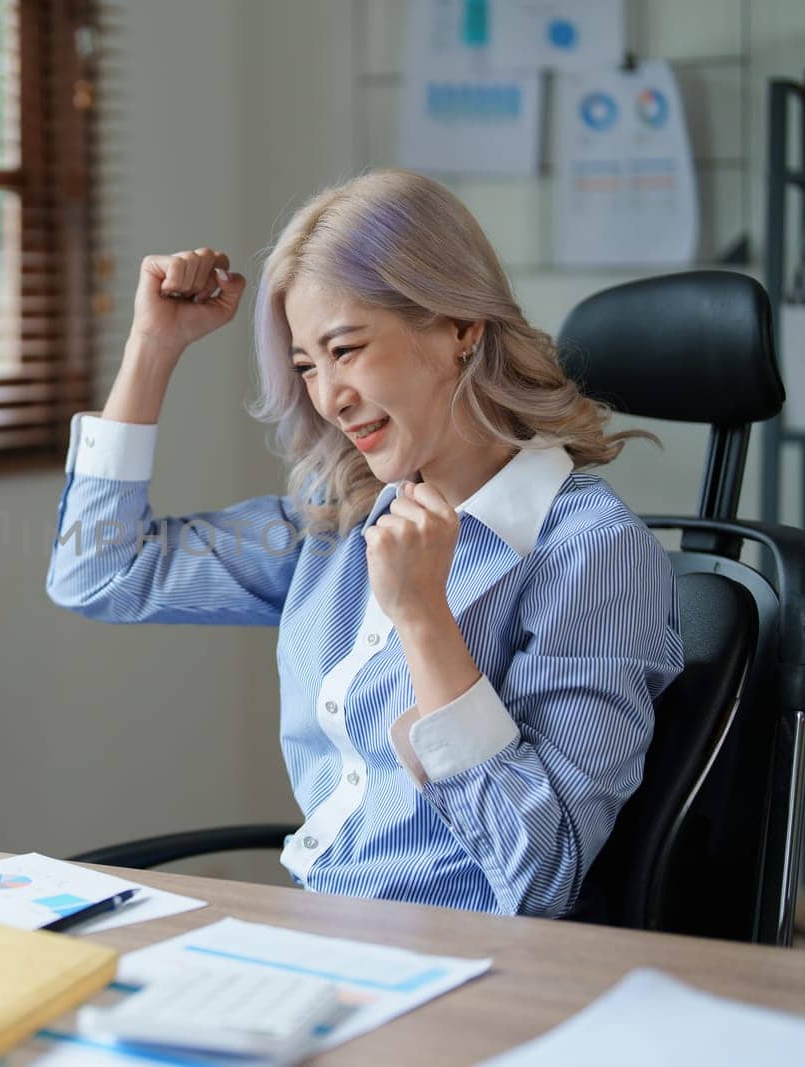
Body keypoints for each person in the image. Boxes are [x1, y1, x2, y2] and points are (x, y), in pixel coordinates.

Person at [45, 169, 685, 918]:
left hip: (468, 967)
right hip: (321, 932)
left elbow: (540, 874)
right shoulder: (339, 519)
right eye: (305, 366)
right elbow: (98, 570)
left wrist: (423, 619)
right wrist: (151, 349)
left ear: (459, 326)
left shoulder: (592, 553)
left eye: (346, 349)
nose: (327, 397)